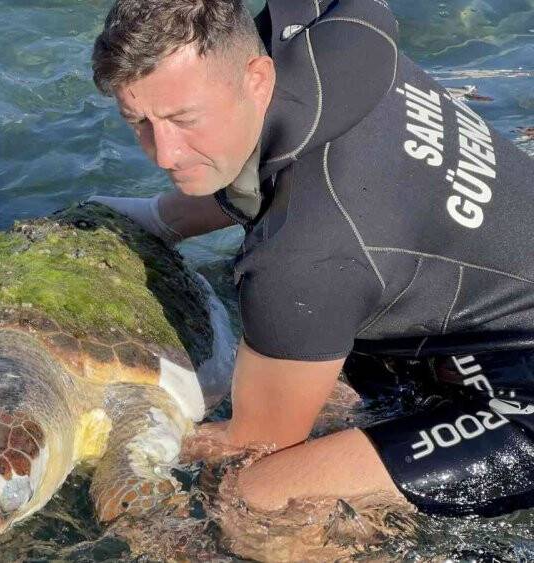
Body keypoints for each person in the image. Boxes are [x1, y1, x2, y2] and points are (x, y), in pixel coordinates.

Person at [90, 0, 534, 516]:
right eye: (138, 122)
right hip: (472, 301)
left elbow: (250, 443)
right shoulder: (331, 19)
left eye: (183, 119)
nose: (164, 152)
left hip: (518, 394)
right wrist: (160, 218)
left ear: (258, 78)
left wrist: (126, 441)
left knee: (255, 498)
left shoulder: (299, 261)